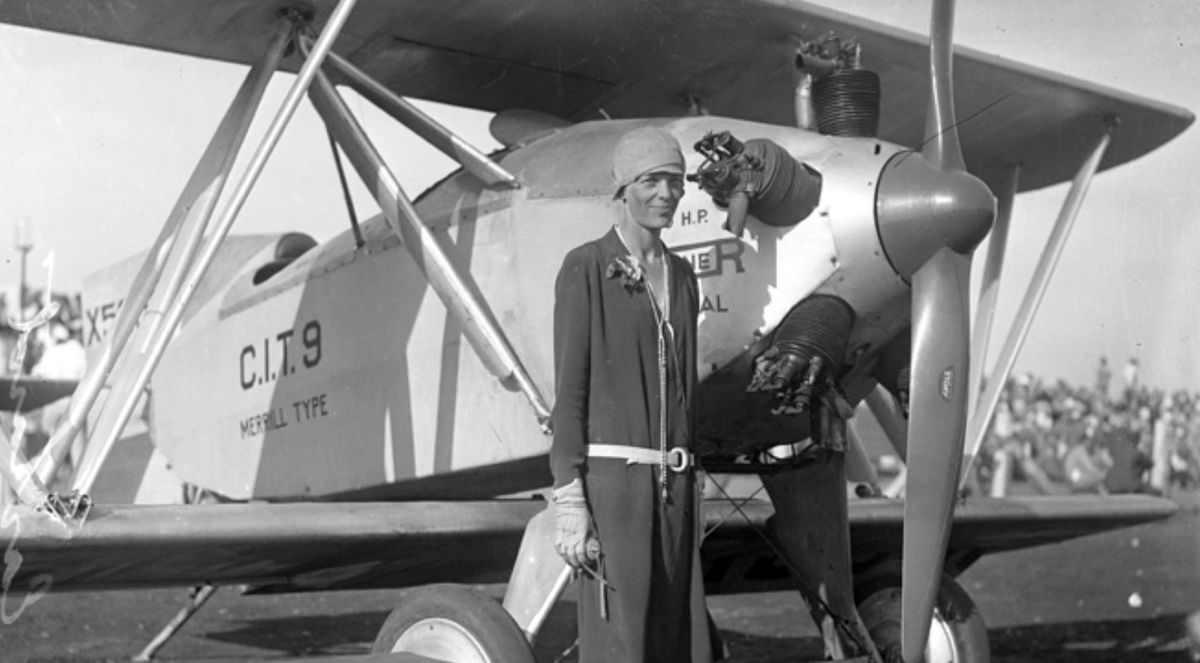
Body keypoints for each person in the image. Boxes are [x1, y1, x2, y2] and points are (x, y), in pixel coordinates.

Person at [550, 126, 718, 662]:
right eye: (652, 180)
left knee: (680, 635)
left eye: (676, 181)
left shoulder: (685, 277)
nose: (667, 194)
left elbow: (686, 391)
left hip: (677, 486)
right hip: (614, 488)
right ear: (623, 189)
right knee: (621, 639)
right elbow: (570, 392)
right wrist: (569, 493)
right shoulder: (588, 266)